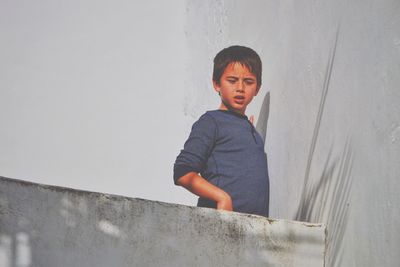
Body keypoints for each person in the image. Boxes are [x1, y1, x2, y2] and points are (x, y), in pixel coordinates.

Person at [173, 45, 269, 217]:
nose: (240, 88)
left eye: (248, 82)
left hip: (253, 231)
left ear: (257, 88)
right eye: (232, 81)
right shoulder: (211, 122)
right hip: (218, 226)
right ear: (216, 84)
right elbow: (182, 171)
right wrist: (222, 197)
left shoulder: (252, 131)